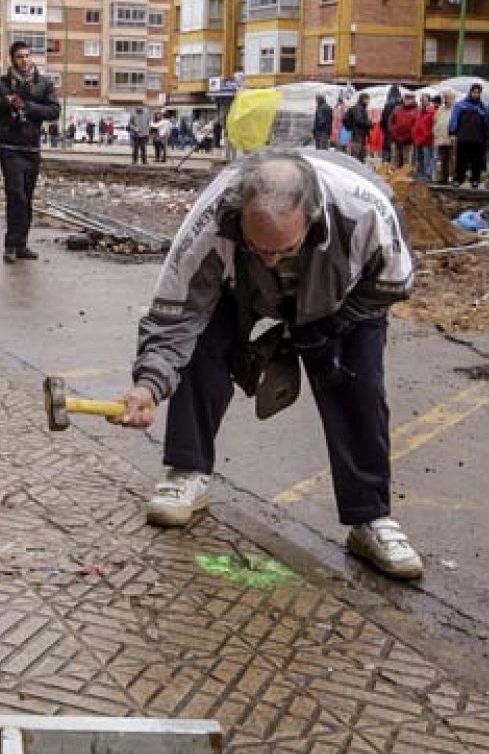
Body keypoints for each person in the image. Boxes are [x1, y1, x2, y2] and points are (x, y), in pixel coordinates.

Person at [114, 150, 423, 580]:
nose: (271, 259)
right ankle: (187, 470)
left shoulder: (365, 210)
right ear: (239, 216)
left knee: (358, 383)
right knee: (200, 344)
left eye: (285, 249)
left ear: (311, 218)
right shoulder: (212, 220)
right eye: (259, 248)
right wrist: (148, 385)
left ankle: (371, 518)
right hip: (238, 288)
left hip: (345, 292)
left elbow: (395, 283)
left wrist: (328, 326)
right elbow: (176, 314)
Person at [0, 40, 60, 263]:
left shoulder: (43, 84)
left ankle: (22, 244)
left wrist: (28, 107)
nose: (25, 60)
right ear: (12, 59)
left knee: (27, 197)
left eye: (27, 55)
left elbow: (54, 111)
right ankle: (10, 244)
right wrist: (7, 102)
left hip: (31, 147)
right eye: (20, 56)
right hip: (9, 146)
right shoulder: (1, 83)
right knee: (15, 194)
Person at [449, 84, 489, 188]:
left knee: (476, 161)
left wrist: (486, 136)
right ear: (470, 92)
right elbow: (454, 119)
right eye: (474, 92)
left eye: (478, 92)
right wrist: (453, 132)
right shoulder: (460, 105)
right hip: (463, 138)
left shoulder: (483, 107)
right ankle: (458, 179)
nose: (476, 94)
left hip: (478, 138)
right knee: (461, 160)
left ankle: (475, 180)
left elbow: (486, 121)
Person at [433, 90, 457, 186]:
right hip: (441, 137)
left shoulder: (455, 109)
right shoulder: (441, 109)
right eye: (445, 97)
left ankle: (452, 177)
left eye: (448, 97)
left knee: (452, 158)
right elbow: (436, 120)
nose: (446, 99)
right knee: (443, 158)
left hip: (451, 137)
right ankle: (443, 177)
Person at [389, 93, 418, 170]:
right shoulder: (397, 109)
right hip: (396, 138)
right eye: (406, 98)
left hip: (408, 140)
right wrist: (393, 132)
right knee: (395, 158)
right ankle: (393, 176)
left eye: (410, 98)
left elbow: (416, 125)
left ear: (413, 100)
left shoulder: (416, 110)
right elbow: (391, 121)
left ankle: (405, 176)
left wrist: (411, 136)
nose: (408, 100)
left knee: (407, 160)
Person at [411, 95, 436, 180]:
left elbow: (433, 126)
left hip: (427, 139)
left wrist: (427, 135)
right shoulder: (418, 112)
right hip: (418, 139)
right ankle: (420, 175)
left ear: (429, 101)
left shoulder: (432, 112)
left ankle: (427, 175)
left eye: (424, 100)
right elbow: (415, 124)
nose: (422, 102)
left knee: (427, 158)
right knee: (420, 158)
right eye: (421, 100)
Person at [344, 93, 372, 163]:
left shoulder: (360, 108)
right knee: (357, 153)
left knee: (360, 153)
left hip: (358, 133)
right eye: (368, 99)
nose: (369, 101)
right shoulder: (359, 108)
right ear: (364, 99)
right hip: (358, 134)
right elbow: (359, 121)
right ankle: (355, 168)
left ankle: (358, 167)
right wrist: (369, 123)